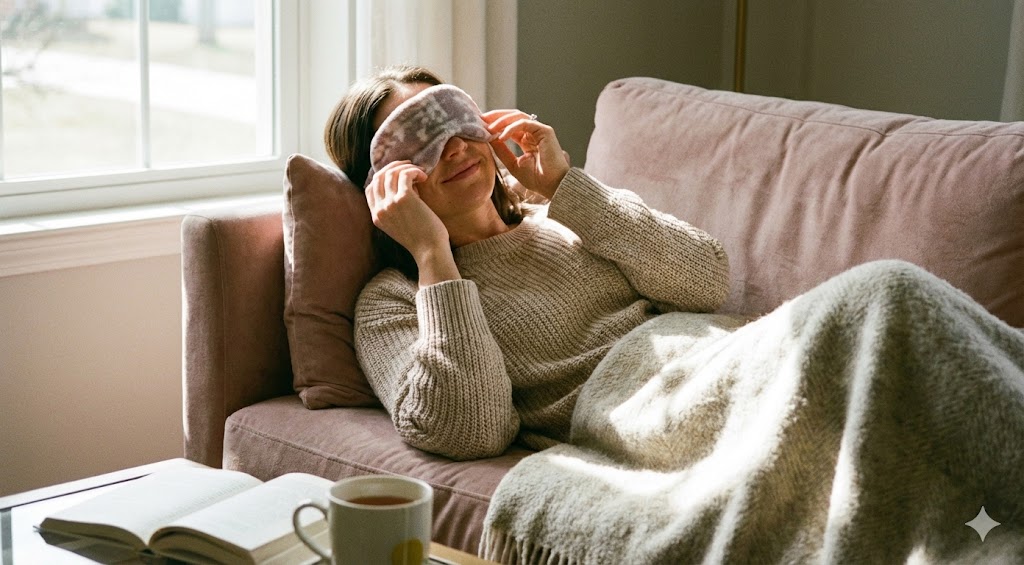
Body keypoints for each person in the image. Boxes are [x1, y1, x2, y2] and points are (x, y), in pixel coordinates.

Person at [322, 65, 1023, 463]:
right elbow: (469, 427)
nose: (452, 147)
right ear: (382, 184)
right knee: (889, 299)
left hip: (720, 353)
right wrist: (433, 254)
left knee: (893, 303)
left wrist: (566, 186)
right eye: (416, 140)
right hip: (644, 407)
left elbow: (705, 278)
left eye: (450, 117)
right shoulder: (396, 296)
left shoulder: (559, 214)